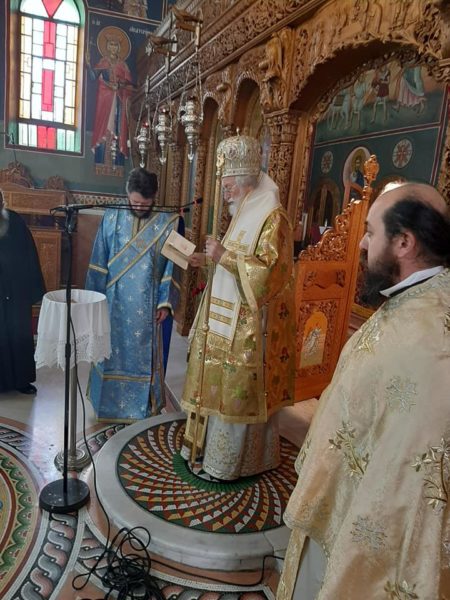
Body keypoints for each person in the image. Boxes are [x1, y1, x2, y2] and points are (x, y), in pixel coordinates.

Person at [277, 182, 450, 600]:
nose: (361, 243)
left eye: (371, 232)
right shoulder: (416, 301)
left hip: (364, 531)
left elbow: (411, 471)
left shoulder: (430, 340)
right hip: (342, 497)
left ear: (404, 242)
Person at [181, 134, 295, 480]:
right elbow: (232, 267)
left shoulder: (273, 218)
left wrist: (223, 256)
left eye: (229, 186)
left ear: (246, 182)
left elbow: (271, 274)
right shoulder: (244, 211)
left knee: (236, 393)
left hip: (249, 329)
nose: (225, 193)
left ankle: (230, 463)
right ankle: (202, 450)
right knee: (214, 384)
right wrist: (207, 260)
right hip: (222, 320)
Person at [85, 168, 180, 421]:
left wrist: (165, 302)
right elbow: (99, 259)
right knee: (110, 352)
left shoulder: (167, 222)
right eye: (135, 202)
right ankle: (106, 404)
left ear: (154, 197)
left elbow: (172, 267)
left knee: (142, 355)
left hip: (147, 304)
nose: (139, 208)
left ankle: (143, 406)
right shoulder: (112, 216)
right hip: (112, 301)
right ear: (127, 194)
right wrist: (94, 299)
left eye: (145, 204)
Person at [0, 190, 45, 394]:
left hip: (16, 291)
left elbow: (30, 256)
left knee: (18, 333)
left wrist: (33, 290)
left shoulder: (15, 221)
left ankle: (21, 380)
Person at [89, 30, 134, 167]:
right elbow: (94, 77)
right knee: (104, 127)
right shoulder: (103, 62)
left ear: (119, 48)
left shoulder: (123, 65)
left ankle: (117, 163)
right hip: (105, 99)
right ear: (108, 46)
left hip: (119, 98)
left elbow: (129, 83)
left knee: (118, 127)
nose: (113, 47)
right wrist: (87, 63)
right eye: (111, 44)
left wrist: (120, 85)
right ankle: (100, 161)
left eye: (116, 45)